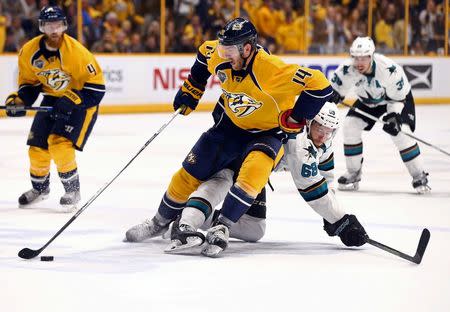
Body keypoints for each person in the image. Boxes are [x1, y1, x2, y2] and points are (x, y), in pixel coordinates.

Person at [124, 17, 333, 256]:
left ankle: (222, 227)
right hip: (229, 127)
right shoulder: (220, 54)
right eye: (223, 48)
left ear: (247, 48)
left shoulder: (272, 69)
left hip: (266, 133)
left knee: (253, 175)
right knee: (189, 173)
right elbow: (204, 55)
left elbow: (320, 85)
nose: (223, 54)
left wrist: (297, 117)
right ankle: (159, 222)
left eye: (230, 50)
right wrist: (192, 87)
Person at [4, 6, 105, 212]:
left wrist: (70, 100)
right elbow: (29, 85)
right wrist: (19, 100)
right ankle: (40, 189)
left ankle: (72, 190)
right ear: (42, 26)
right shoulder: (29, 52)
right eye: (49, 25)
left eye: (58, 25)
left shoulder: (77, 53)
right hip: (52, 99)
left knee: (59, 144)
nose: (54, 30)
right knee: (37, 148)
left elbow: (97, 89)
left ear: (64, 26)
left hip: (81, 102)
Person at [330, 37, 430, 194]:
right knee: (350, 126)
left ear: (372, 56)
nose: (359, 62)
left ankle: (419, 175)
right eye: (356, 57)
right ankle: (353, 173)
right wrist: (333, 95)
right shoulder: (346, 70)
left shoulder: (389, 70)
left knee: (400, 134)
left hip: (396, 100)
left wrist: (394, 116)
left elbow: (398, 98)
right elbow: (334, 90)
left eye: (364, 57)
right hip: (368, 101)